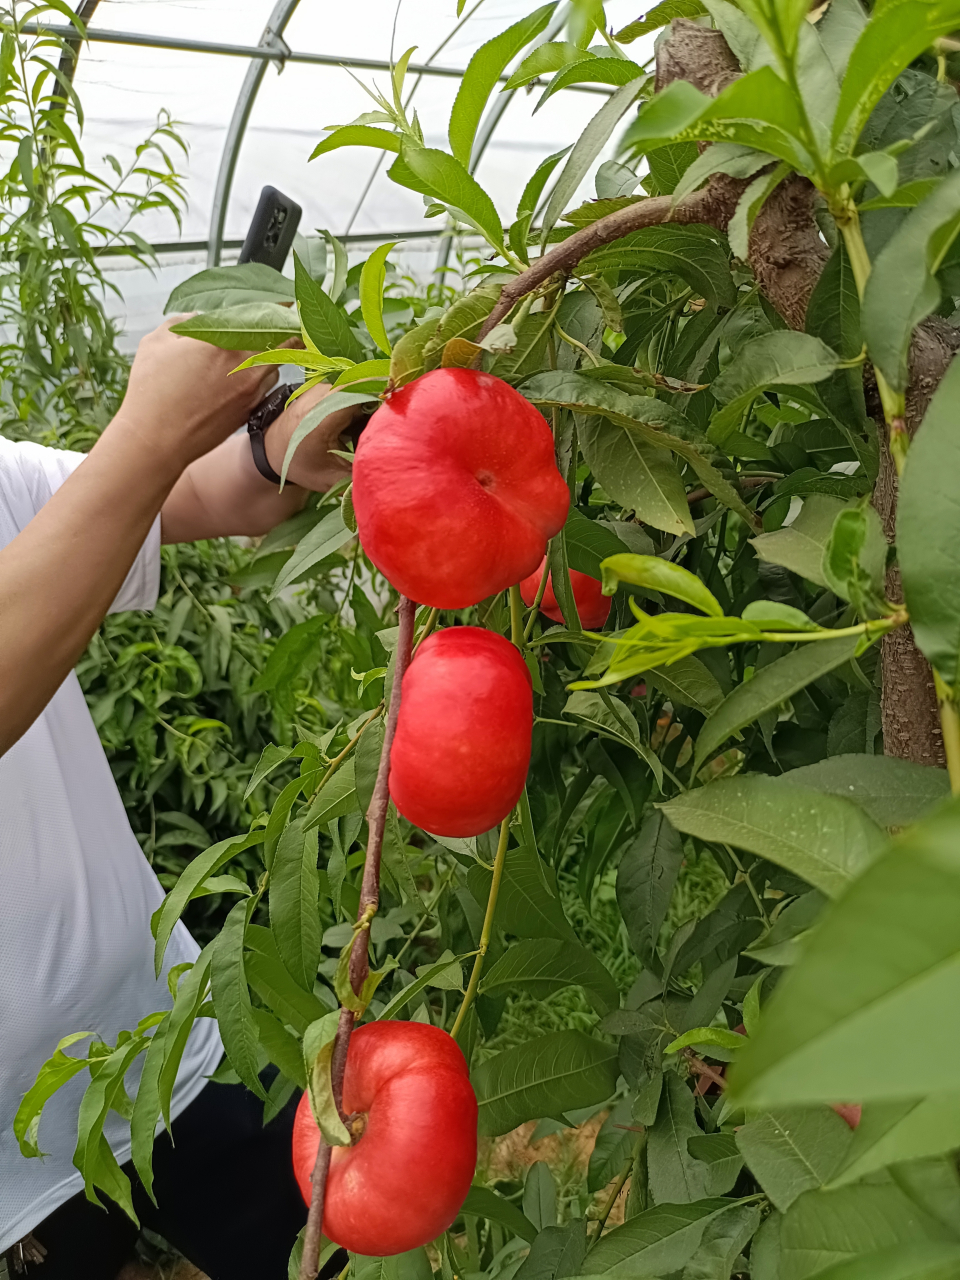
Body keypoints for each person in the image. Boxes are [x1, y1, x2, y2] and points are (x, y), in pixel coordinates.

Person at [0, 319, 358, 1279]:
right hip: (16, 1164)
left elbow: (202, 492)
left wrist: (283, 436)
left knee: (323, 1251)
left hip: (168, 1038)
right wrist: (149, 431)